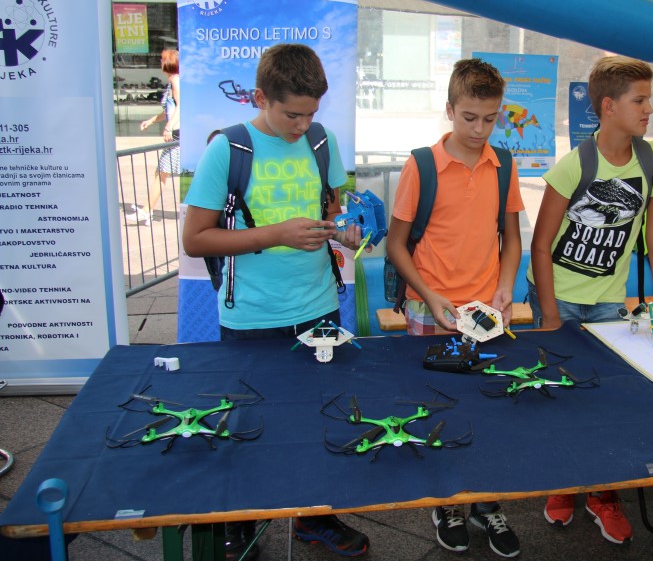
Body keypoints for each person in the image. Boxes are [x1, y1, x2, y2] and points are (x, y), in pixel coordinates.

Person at [182, 43, 369, 560]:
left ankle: (315, 517)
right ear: (261, 97)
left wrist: (343, 232)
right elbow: (195, 239)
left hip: (318, 305)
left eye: (311, 113)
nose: (303, 125)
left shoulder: (321, 140)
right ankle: (242, 521)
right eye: (293, 115)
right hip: (252, 314)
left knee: (319, 416)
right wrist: (276, 234)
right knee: (248, 421)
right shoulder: (228, 149)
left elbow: (331, 212)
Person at [528, 55, 653, 544]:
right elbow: (540, 245)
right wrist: (549, 314)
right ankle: (564, 483)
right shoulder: (575, 165)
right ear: (608, 106)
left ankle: (604, 493)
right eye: (640, 100)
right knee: (559, 396)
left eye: (649, 99)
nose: (649, 109)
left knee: (606, 401)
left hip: (608, 303)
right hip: (557, 298)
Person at [386, 58, 524, 558]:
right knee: (437, 406)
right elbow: (395, 244)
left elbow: (512, 237)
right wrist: (429, 295)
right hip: (431, 309)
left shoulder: (503, 164)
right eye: (469, 117)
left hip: (486, 311)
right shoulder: (421, 165)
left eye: (490, 118)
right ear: (449, 110)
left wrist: (505, 288)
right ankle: (447, 501)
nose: (479, 129)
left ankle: (486, 501)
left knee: (488, 406)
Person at [126, 49, 181, 225]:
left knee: (162, 173)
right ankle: (146, 210)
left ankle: (146, 211)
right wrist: (151, 121)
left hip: (177, 136)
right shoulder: (173, 81)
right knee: (162, 173)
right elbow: (169, 110)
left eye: (162, 60)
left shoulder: (175, 80)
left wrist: (169, 127)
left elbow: (181, 107)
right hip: (176, 134)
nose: (160, 63)